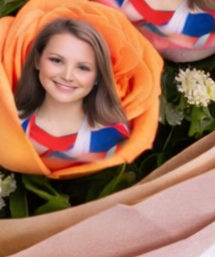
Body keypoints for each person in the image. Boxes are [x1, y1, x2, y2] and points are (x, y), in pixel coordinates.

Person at [13, 17, 131, 172]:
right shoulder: (10, 123)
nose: (67, 76)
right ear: (37, 60)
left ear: (98, 76)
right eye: (57, 60)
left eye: (83, 68)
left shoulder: (113, 138)